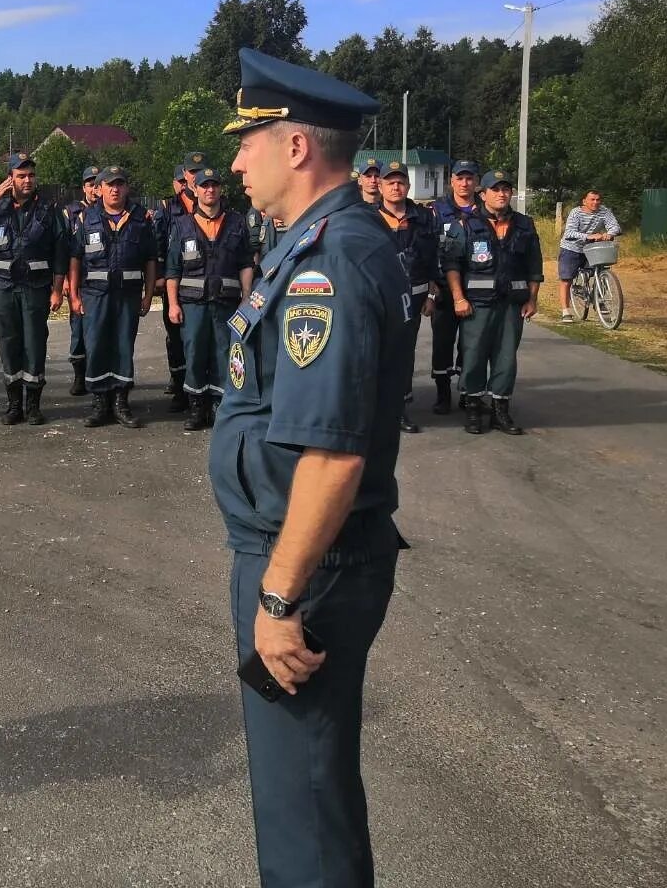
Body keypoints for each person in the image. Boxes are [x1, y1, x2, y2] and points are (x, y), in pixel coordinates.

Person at [209, 48, 409, 888]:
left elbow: (331, 455)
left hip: (309, 564)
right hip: (303, 551)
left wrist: (279, 597)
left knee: (305, 804)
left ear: (295, 147)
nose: (234, 160)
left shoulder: (329, 261)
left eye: (247, 140)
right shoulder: (321, 243)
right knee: (305, 792)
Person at [0, 152, 69, 426]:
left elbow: (61, 252)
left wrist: (58, 290)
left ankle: (33, 405)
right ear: (10, 179)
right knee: (8, 345)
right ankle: (14, 404)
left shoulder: (49, 210)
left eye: (31, 175)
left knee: (34, 346)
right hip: (4, 290)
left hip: (35, 290)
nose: (27, 180)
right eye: (21, 176)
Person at [442, 169, 543, 436]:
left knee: (506, 358)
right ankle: (473, 408)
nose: (501, 194)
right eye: (495, 189)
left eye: (506, 189)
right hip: (477, 305)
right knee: (473, 356)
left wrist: (532, 299)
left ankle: (501, 410)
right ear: (482, 193)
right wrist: (458, 298)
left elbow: (534, 266)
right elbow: (451, 264)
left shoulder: (525, 225)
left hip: (512, 305)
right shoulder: (464, 225)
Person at [164, 166, 253, 431]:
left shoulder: (236, 222)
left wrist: (246, 298)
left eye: (214, 185)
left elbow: (246, 263)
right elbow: (172, 269)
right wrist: (173, 304)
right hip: (193, 305)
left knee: (223, 353)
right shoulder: (182, 225)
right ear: (195, 189)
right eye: (204, 185)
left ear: (220, 189)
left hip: (227, 303)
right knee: (194, 354)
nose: (210, 189)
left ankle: (218, 405)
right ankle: (196, 408)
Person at [67, 166, 156, 429]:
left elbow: (150, 260)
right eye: (109, 184)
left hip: (127, 296)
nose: (115, 189)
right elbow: (75, 257)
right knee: (96, 346)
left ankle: (120, 402)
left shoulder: (141, 218)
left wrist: (148, 295)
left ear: (126, 188)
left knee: (122, 347)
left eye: (120, 184)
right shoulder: (86, 218)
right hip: (95, 295)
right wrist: (73, 294)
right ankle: (99, 403)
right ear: (99, 189)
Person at [376, 161, 439, 433]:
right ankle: (371, 411)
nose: (396, 187)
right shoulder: (367, 217)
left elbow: (434, 258)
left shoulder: (425, 218)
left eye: (400, 182)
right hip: (376, 299)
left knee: (403, 356)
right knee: (374, 353)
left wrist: (432, 296)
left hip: (414, 299)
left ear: (408, 186)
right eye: (390, 182)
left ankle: (399, 410)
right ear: (380, 186)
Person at [428, 159, 481, 414]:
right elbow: (427, 249)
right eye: (460, 178)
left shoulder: (485, 210)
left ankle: (467, 391)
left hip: (476, 289)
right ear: (451, 181)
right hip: (443, 288)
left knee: (470, 344)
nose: (464, 183)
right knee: (442, 342)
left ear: (477, 182)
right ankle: (442, 392)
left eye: (469, 178)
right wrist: (431, 286)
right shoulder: (437, 211)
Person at [152, 163, 197, 399]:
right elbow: (158, 244)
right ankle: (178, 383)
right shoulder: (168, 208)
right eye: (179, 181)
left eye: (185, 181)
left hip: (197, 280)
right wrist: (159, 275)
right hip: (173, 279)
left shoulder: (206, 202)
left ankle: (197, 386)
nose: (183, 185)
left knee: (196, 337)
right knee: (175, 336)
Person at [62, 166, 100, 396]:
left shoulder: (110, 211)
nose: (94, 189)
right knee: (78, 327)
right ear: (83, 187)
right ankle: (79, 376)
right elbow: (66, 249)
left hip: (100, 279)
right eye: (90, 184)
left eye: (97, 184)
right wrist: (66, 280)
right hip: (79, 277)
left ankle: (97, 374)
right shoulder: (71, 212)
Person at [557, 189, 621, 321]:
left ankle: (600, 302)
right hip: (571, 248)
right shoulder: (576, 213)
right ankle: (565, 311)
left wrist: (610, 233)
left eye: (598, 200)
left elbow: (615, 226)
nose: (595, 202)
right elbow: (569, 233)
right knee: (566, 278)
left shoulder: (604, 211)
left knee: (601, 271)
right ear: (584, 201)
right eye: (592, 199)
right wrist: (589, 236)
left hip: (592, 248)